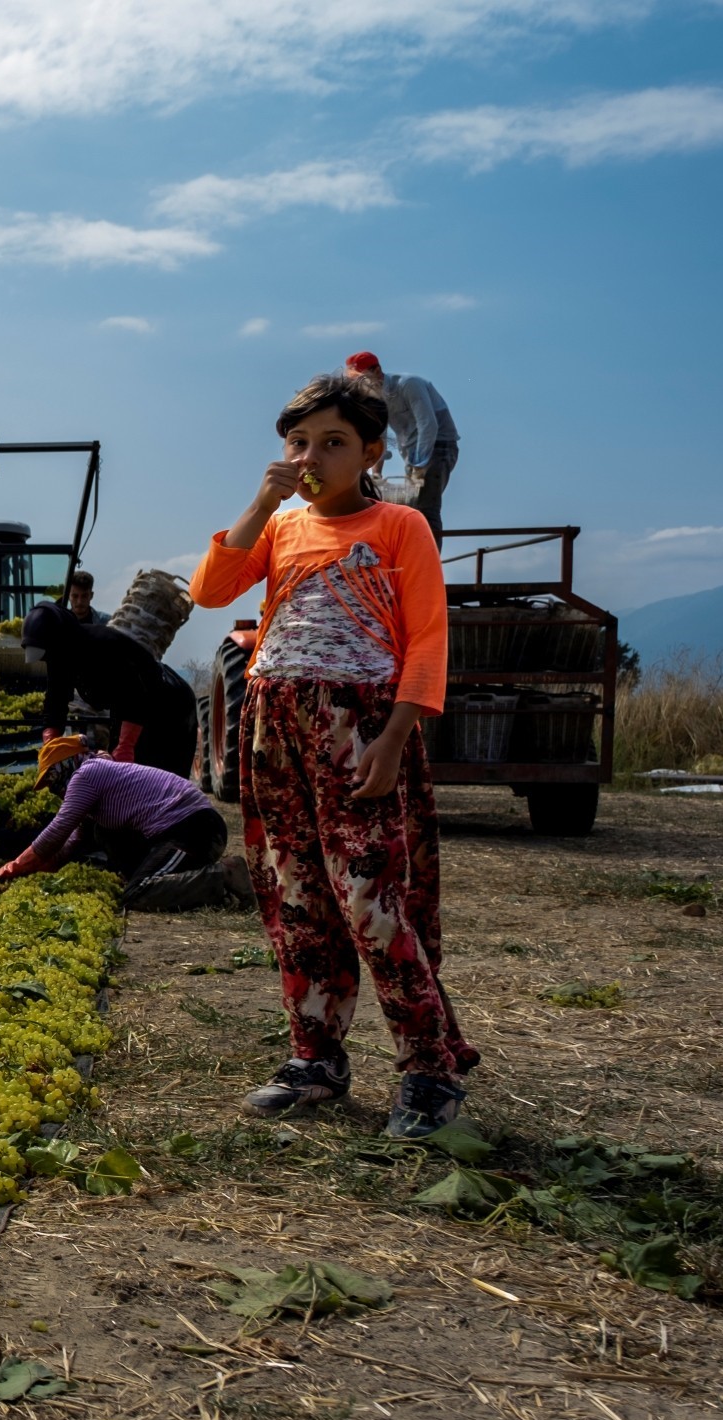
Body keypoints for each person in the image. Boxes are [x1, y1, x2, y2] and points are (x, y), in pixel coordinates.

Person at [189, 370, 478, 1139]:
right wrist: (260, 502)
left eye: (333, 442)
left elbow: (427, 641)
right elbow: (211, 593)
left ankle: (429, 1071)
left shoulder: (398, 528)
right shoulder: (281, 531)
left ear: (373, 452)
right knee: (297, 898)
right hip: (273, 725)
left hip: (361, 728)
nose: (312, 455)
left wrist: (395, 737)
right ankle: (315, 1057)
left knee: (372, 905)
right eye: (299, 441)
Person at [0, 735, 244, 908]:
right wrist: (30, 870)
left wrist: (13, 866)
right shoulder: (97, 779)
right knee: (101, 831)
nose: (53, 789)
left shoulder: (87, 774)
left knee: (137, 893)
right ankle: (165, 875)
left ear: (64, 766)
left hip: (194, 829)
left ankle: (223, 875)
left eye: (52, 780)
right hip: (180, 830)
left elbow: (58, 829)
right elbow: (67, 845)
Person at [18, 602, 198, 778]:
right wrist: (51, 739)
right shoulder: (59, 657)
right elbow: (55, 700)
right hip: (132, 711)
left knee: (158, 780)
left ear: (59, 640)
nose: (48, 660)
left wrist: (126, 745)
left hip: (169, 704)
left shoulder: (102, 645)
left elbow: (134, 695)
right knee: (121, 775)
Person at [345, 352, 458, 540]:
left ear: (377, 370)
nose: (359, 385)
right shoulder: (376, 398)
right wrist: (376, 474)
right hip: (413, 455)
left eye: (362, 378)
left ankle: (428, 566)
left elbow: (428, 424)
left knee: (425, 508)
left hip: (439, 447)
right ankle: (412, 559)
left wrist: (420, 464)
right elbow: (380, 436)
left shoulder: (408, 384)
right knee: (412, 508)